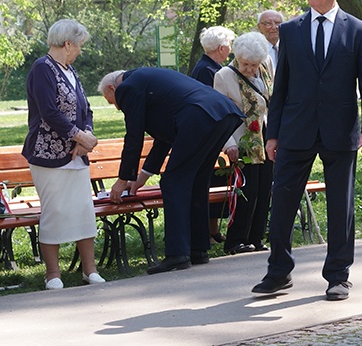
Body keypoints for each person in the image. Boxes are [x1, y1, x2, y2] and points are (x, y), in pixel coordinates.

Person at [252, 0, 362, 302]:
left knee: (341, 207)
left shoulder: (358, 31)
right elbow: (280, 89)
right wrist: (272, 135)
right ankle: (278, 271)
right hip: (296, 130)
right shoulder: (291, 31)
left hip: (341, 132)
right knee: (281, 201)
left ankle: (338, 276)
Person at [98, 67, 243, 274]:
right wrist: (141, 178)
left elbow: (134, 136)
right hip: (221, 113)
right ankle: (197, 248)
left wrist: (123, 179)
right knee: (196, 180)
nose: (117, 108)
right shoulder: (146, 80)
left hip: (200, 116)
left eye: (112, 102)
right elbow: (164, 139)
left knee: (173, 182)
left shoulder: (128, 88)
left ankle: (177, 254)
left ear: (113, 88)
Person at [22, 19, 104, 289]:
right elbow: (49, 112)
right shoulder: (41, 69)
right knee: (55, 211)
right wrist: (78, 136)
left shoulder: (70, 70)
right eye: (79, 45)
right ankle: (53, 274)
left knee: (83, 210)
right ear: (68, 44)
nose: (80, 50)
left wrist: (86, 137)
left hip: (75, 155)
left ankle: (89, 271)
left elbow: (85, 109)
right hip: (48, 154)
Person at [213, 31, 274, 254]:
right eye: (245, 64)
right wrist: (228, 143)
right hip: (242, 140)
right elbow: (220, 114)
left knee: (265, 188)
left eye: (253, 64)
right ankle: (236, 240)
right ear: (237, 56)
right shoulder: (223, 76)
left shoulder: (266, 63)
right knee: (248, 190)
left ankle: (256, 238)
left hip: (267, 135)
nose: (249, 69)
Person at [189, 25, 236, 245]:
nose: (231, 49)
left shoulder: (210, 66)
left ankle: (213, 230)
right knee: (212, 183)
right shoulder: (208, 71)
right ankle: (209, 230)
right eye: (229, 44)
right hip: (209, 137)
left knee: (216, 180)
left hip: (213, 136)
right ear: (221, 47)